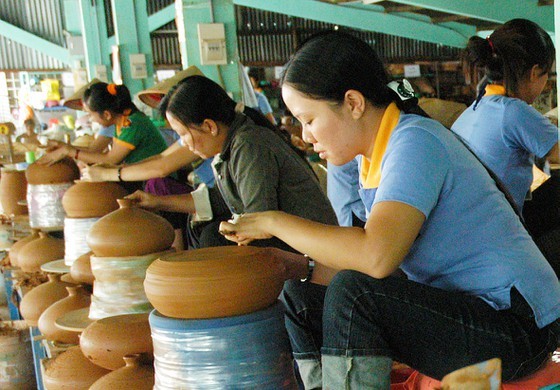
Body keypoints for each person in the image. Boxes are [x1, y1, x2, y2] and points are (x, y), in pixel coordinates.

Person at [218, 31, 560, 389]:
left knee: (355, 294)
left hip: (517, 328)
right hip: (467, 310)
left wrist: (275, 221)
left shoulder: (415, 142)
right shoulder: (372, 160)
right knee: (300, 294)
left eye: (309, 119)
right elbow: (387, 267)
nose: (305, 136)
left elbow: (376, 257)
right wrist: (303, 265)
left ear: (353, 103)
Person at [127, 75, 338, 251]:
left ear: (209, 126)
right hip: (291, 242)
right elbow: (219, 200)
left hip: (311, 251)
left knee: (213, 239)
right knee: (209, 233)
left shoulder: (249, 145)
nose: (184, 143)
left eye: (183, 134)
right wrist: (156, 201)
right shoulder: (230, 147)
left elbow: (259, 221)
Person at [451, 19, 560, 276]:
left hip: (470, 243)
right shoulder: (513, 111)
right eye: (547, 75)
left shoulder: (475, 109)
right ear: (535, 73)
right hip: (496, 249)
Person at [39, 82, 168, 192]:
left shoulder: (132, 124)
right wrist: (66, 148)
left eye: (91, 114)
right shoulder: (122, 122)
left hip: (157, 183)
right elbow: (101, 155)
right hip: (140, 176)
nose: (91, 119)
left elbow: (111, 159)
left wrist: (69, 151)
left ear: (106, 114)